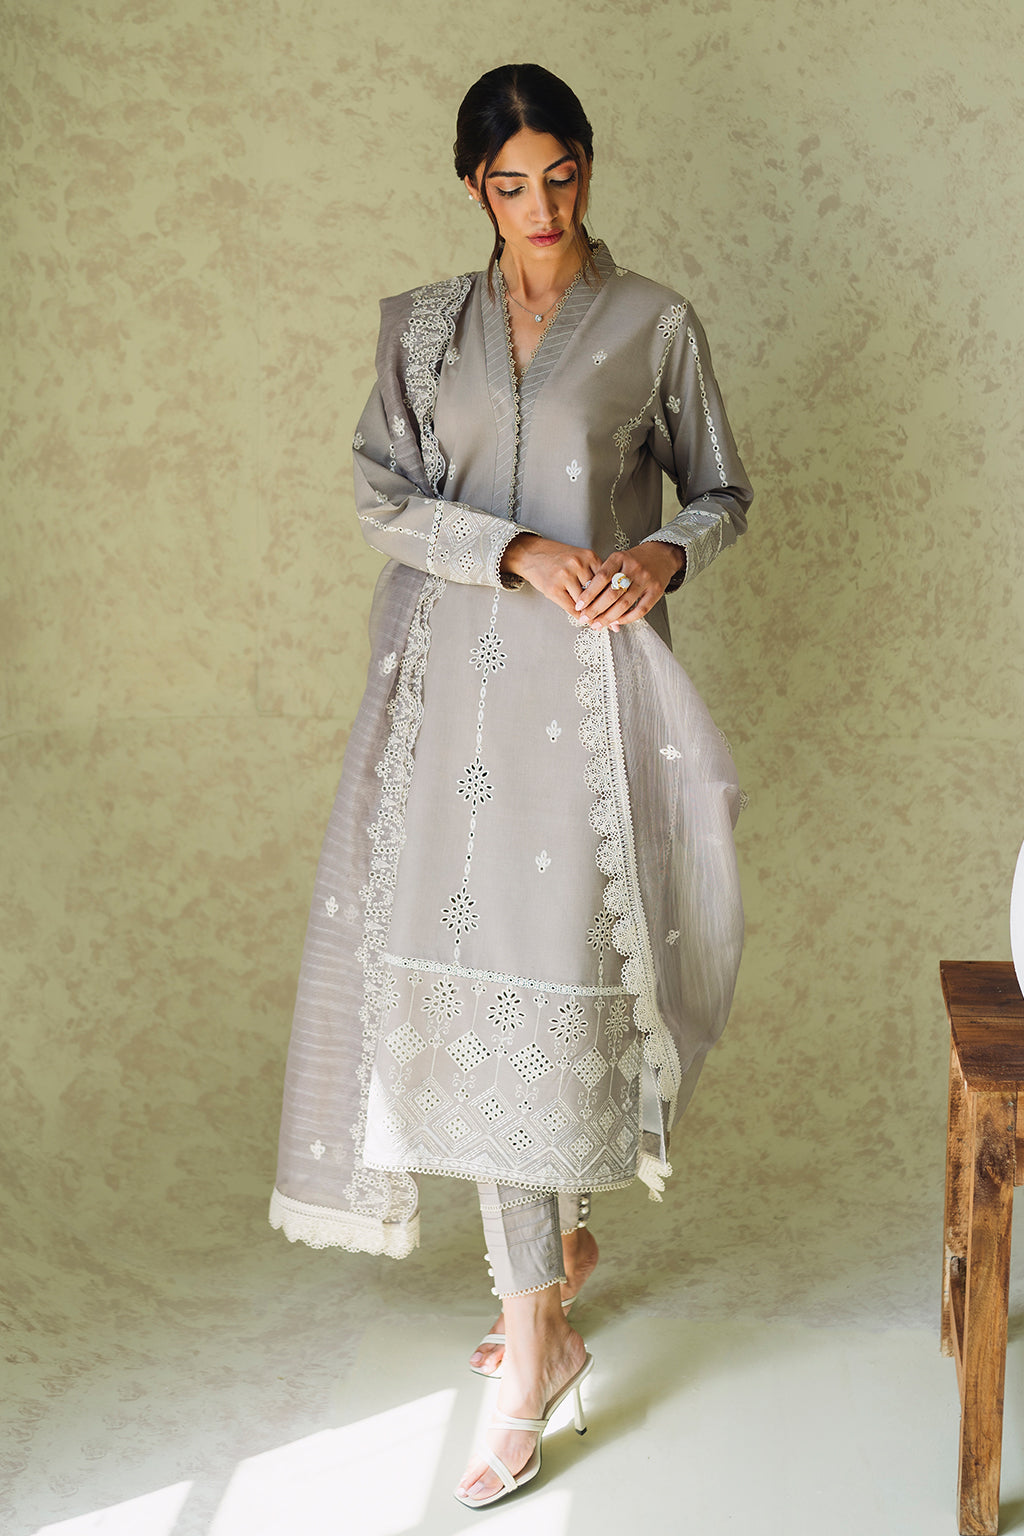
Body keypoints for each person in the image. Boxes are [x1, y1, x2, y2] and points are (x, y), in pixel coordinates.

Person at [269, 62, 752, 1508]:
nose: (541, 209)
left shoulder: (655, 323)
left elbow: (720, 493)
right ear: (474, 188)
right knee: (472, 993)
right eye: (510, 186)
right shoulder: (423, 331)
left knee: (556, 992)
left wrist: (656, 556)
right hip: (447, 700)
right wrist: (518, 552)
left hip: (590, 707)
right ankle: (536, 1328)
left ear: (588, 167)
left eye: (561, 177)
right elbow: (383, 495)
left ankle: (547, 1274)